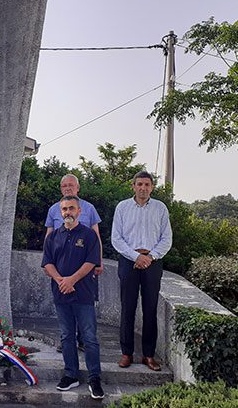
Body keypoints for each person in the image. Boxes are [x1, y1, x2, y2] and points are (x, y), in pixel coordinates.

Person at [42, 196, 104, 400]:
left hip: (84, 294)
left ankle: (95, 378)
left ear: (79, 211)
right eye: (64, 209)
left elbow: (91, 262)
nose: (68, 212)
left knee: (89, 338)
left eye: (71, 208)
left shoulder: (88, 235)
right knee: (67, 336)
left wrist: (72, 280)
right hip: (61, 294)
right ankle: (71, 375)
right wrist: (61, 280)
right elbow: (47, 263)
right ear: (61, 213)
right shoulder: (53, 236)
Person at [111, 171, 172, 372]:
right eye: (139, 184)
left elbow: (166, 239)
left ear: (152, 187)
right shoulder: (122, 207)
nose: (143, 188)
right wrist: (136, 257)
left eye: (147, 184)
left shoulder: (160, 208)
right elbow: (116, 239)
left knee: (150, 309)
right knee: (127, 308)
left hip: (153, 262)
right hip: (129, 261)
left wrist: (150, 257)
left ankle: (148, 355)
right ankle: (126, 353)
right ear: (133, 186)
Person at [44, 174, 104, 351]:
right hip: (61, 266)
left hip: (84, 265)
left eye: (71, 185)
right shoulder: (54, 209)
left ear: (78, 188)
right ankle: (67, 341)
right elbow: (49, 235)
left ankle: (84, 340)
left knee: (84, 303)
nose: (67, 188)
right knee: (64, 304)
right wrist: (48, 262)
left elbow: (96, 235)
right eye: (64, 186)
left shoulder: (89, 208)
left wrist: (98, 261)